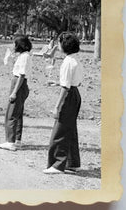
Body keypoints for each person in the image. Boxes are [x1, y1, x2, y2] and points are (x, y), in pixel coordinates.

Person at [43, 33, 83, 174]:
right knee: (70, 130)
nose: (57, 45)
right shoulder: (74, 60)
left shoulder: (67, 62)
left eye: (58, 43)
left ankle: (57, 164)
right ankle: (73, 163)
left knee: (59, 131)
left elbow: (65, 88)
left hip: (68, 96)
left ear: (63, 45)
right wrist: (58, 82)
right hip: (75, 94)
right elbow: (74, 82)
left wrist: (57, 106)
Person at [0, 35, 33, 151]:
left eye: (15, 44)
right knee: (18, 113)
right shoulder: (25, 56)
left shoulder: (24, 57)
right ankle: (17, 139)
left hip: (18, 84)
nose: (13, 46)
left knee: (11, 114)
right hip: (21, 84)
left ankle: (10, 141)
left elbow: (21, 75)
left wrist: (14, 92)